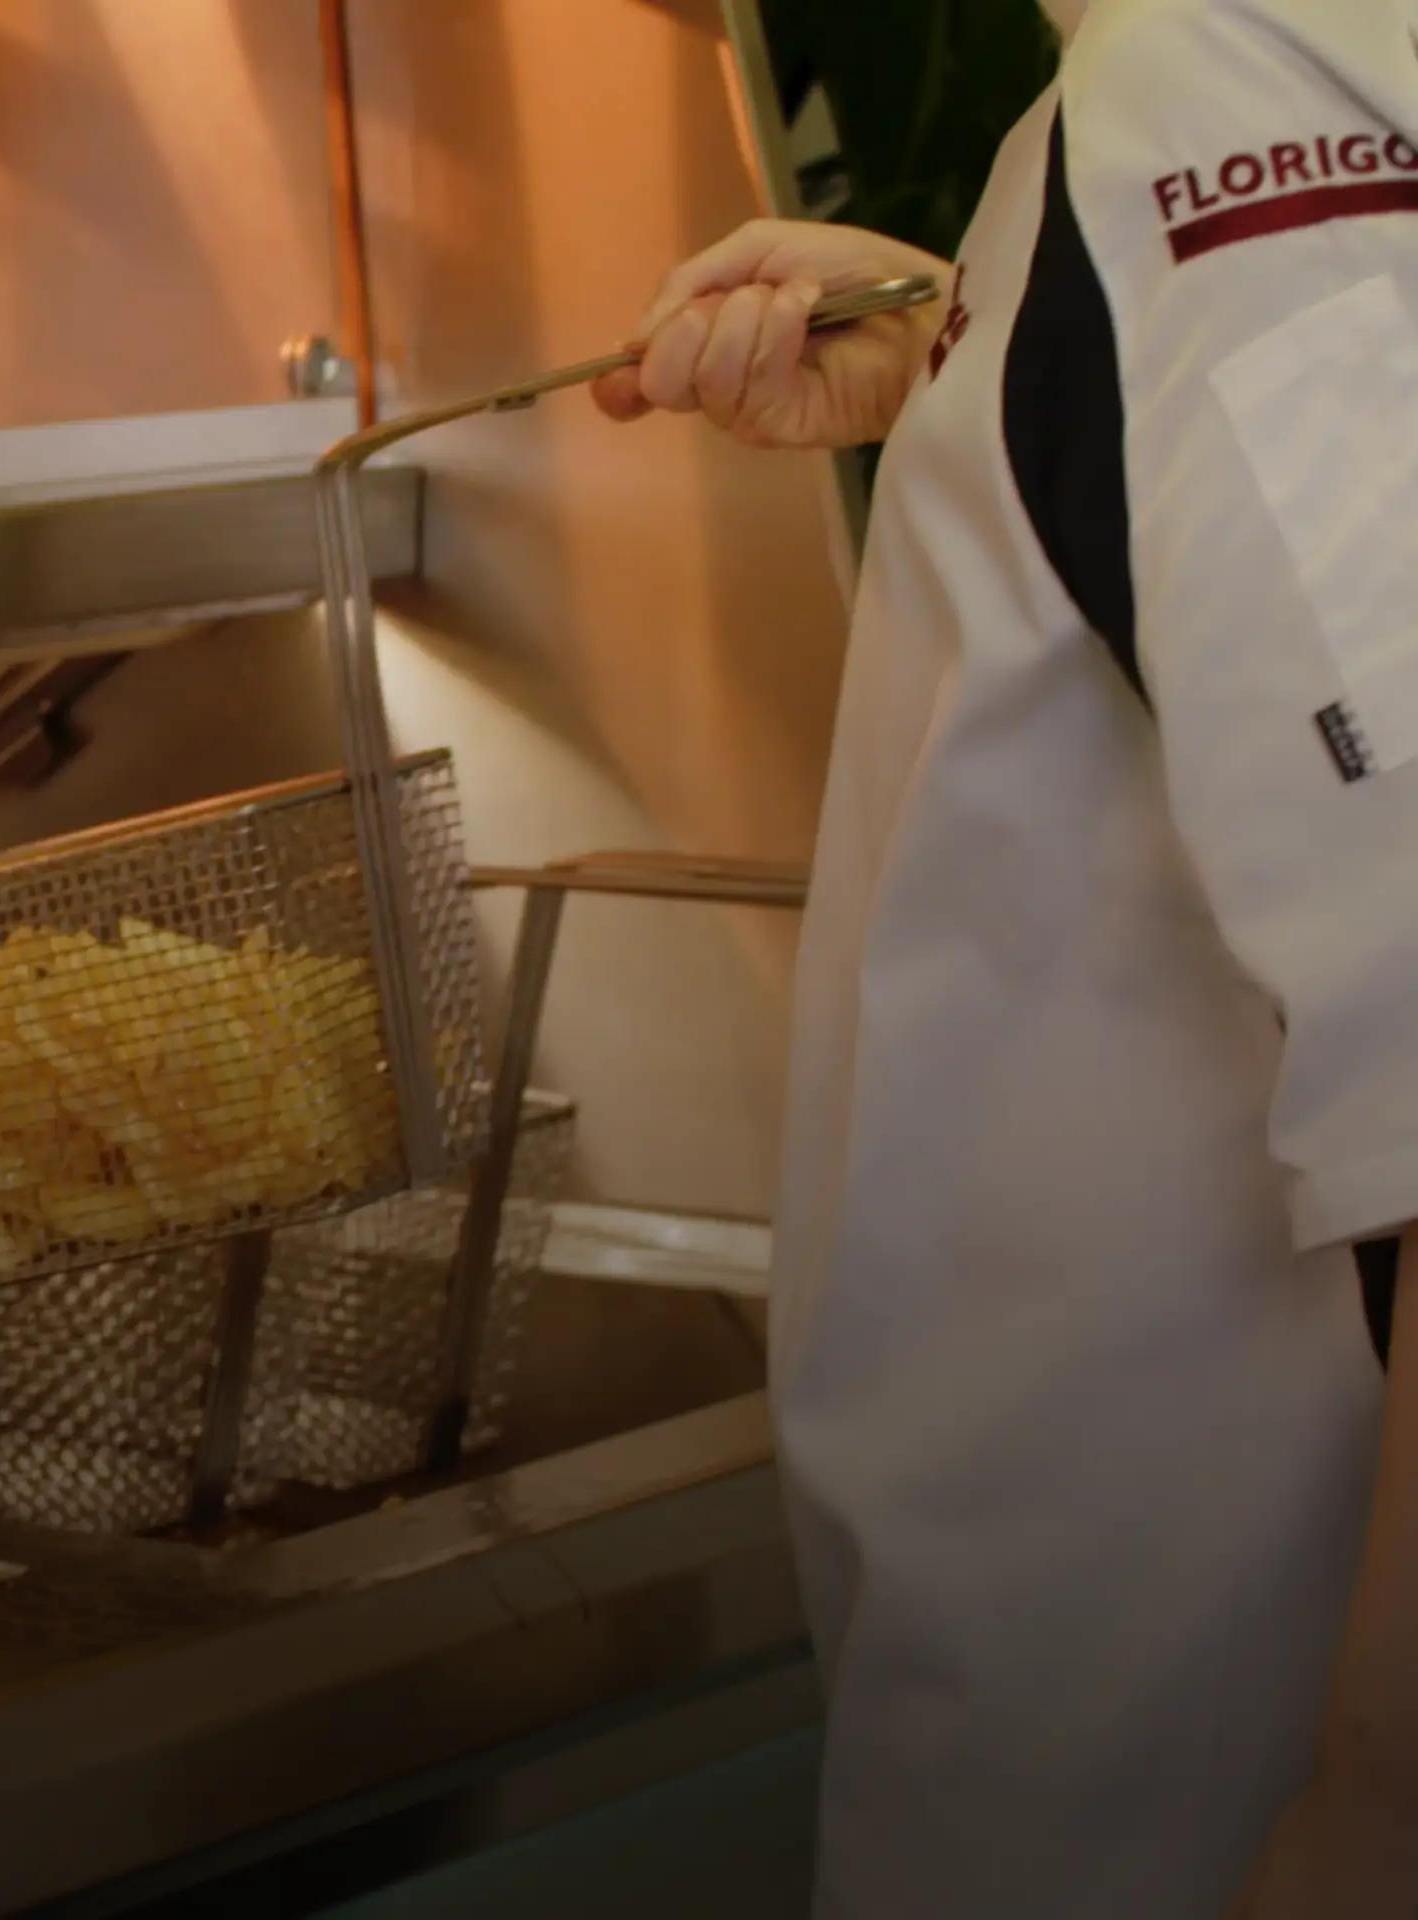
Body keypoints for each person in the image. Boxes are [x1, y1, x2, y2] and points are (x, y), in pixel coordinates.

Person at [593, 0, 1418, 1914]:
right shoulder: (1208, 113)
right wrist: (998, 354)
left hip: (1184, 1790)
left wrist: (1372, 1827)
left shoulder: (1219, 93)